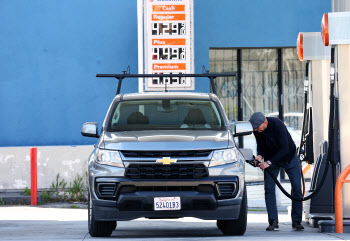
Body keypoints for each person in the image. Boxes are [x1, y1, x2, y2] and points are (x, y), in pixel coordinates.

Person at [249, 112, 304, 231]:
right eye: (254, 128)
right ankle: (273, 221)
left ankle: (296, 220)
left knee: (296, 187)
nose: (256, 129)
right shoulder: (257, 130)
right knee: (269, 189)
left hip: (289, 158)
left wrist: (268, 163)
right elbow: (261, 145)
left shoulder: (277, 125)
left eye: (257, 127)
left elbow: (284, 149)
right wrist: (259, 156)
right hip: (271, 159)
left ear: (265, 122)